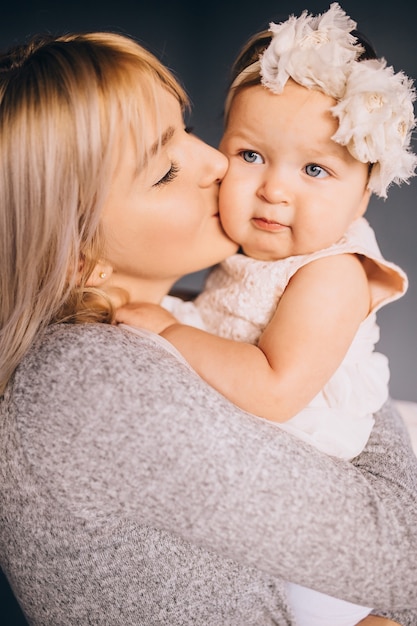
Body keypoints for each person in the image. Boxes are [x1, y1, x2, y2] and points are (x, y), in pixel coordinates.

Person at [0, 29, 416, 626]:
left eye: (188, 130)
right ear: (77, 256)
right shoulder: (84, 379)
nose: (217, 162)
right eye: (165, 170)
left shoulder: (196, 313)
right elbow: (405, 555)